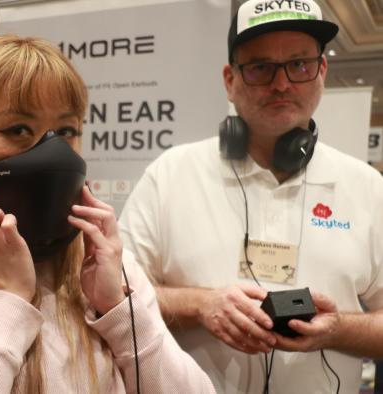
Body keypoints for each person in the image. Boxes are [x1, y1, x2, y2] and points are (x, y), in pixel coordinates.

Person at [0, 36, 215, 393]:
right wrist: (10, 300)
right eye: (17, 130)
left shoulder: (107, 270)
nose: (52, 152)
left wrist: (119, 310)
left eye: (66, 131)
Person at [118, 0, 383, 393]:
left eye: (299, 65)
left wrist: (339, 329)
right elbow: (114, 293)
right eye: (260, 68)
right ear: (230, 79)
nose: (282, 84)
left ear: (321, 71)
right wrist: (201, 305)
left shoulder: (366, 187)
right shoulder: (171, 175)